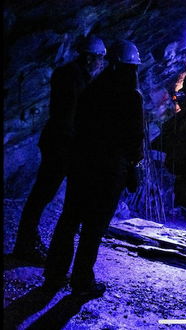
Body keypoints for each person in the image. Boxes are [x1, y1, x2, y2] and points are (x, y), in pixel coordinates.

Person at [43, 40, 144, 298]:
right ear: (129, 67)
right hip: (110, 172)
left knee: (69, 219)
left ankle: (54, 273)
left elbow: (79, 123)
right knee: (93, 228)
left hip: (82, 164)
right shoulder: (132, 96)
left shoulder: (92, 88)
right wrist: (134, 166)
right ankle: (81, 281)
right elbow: (134, 138)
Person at [12, 35, 107, 264]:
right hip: (61, 144)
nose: (101, 64)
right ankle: (25, 245)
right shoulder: (74, 78)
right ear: (88, 58)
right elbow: (69, 116)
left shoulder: (72, 75)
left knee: (42, 194)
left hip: (59, 141)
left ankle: (26, 242)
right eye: (99, 59)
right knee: (42, 194)